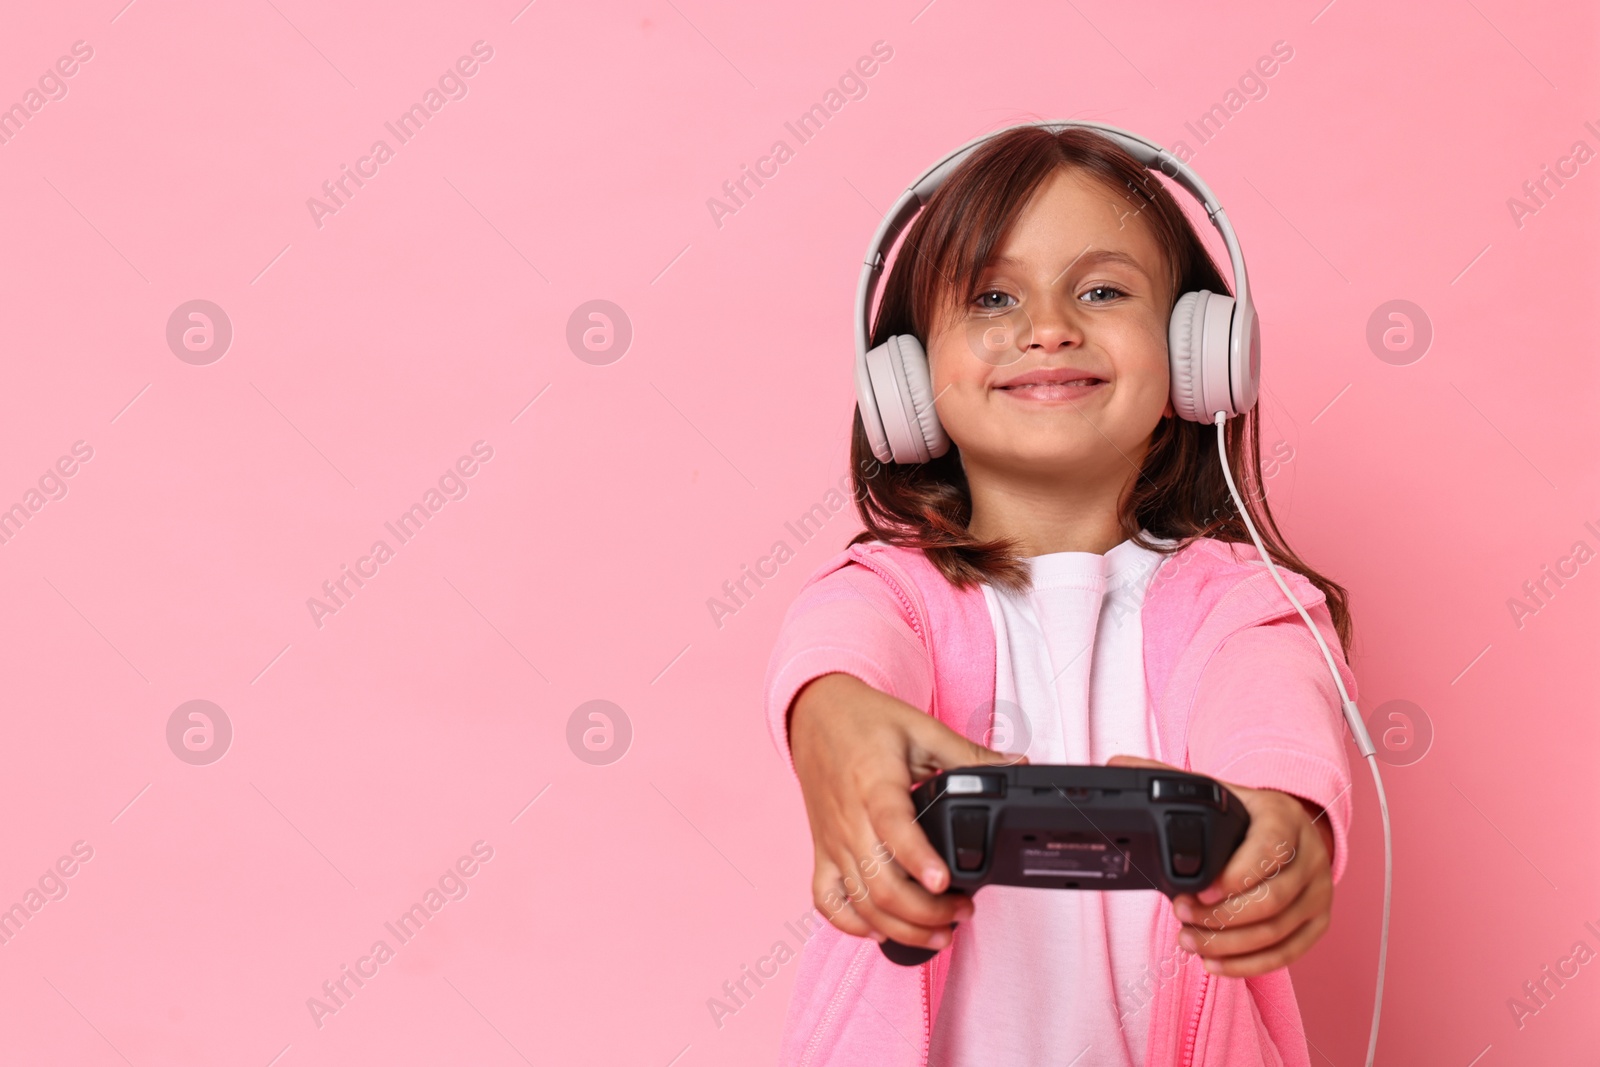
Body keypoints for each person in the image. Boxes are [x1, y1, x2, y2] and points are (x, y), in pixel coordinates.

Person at [762, 125, 1358, 1066]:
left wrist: (1282, 824)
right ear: (907, 380)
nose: (1048, 327)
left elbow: (1277, 725)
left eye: (1103, 290)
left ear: (1196, 359)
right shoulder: (891, 590)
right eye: (993, 296)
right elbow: (837, 652)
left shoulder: (1246, 607)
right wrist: (831, 721)